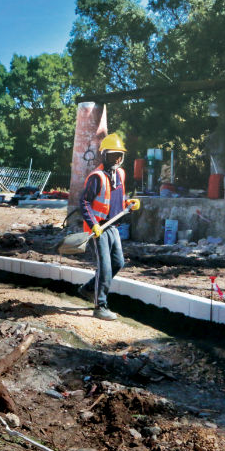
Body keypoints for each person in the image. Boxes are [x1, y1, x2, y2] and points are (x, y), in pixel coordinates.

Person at [77, 133, 141, 320]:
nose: (117, 158)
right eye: (113, 155)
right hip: (98, 228)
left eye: (120, 155)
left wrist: (130, 203)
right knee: (105, 267)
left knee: (118, 262)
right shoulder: (96, 177)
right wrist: (93, 224)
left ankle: (89, 289)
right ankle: (100, 306)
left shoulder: (120, 174)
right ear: (104, 155)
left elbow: (118, 199)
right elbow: (84, 203)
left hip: (113, 226)